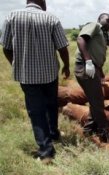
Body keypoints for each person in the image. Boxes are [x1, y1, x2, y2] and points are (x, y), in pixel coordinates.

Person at [0, 0, 70, 161]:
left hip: (27, 76)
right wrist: (66, 66)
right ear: (42, 2)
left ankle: (46, 148)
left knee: (36, 111)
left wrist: (16, 65)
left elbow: (6, 48)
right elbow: (62, 48)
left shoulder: (12, 17)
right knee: (51, 103)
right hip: (50, 74)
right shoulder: (51, 18)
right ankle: (50, 142)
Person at [74, 13, 109, 142]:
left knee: (95, 100)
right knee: (98, 102)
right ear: (100, 19)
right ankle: (105, 134)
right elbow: (81, 39)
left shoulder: (102, 34)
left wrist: (100, 71)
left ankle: (89, 129)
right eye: (108, 21)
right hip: (86, 68)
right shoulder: (94, 26)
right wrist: (88, 61)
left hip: (93, 69)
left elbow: (97, 53)